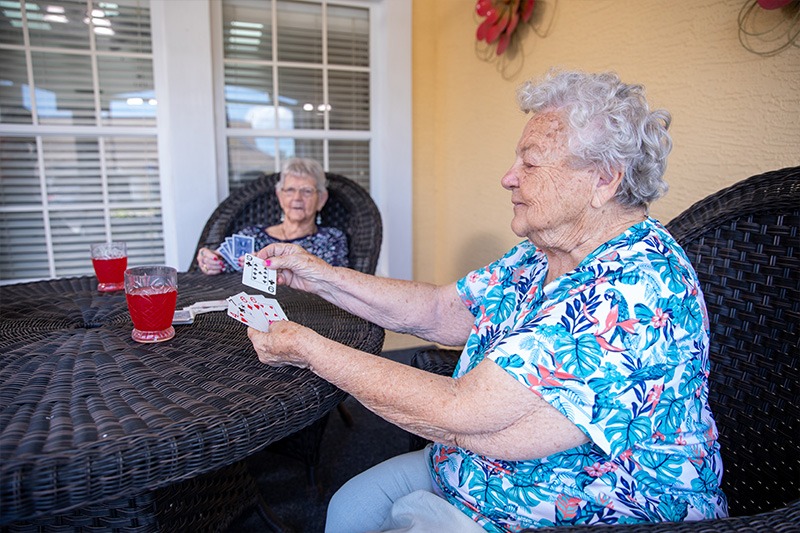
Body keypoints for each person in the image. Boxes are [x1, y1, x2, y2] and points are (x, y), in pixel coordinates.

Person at [247, 69, 728, 531]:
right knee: (351, 506)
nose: (508, 177)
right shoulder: (543, 252)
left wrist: (306, 349)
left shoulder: (632, 287)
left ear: (603, 179)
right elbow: (439, 310)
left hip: (573, 509)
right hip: (473, 472)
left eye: (531, 162)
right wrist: (321, 277)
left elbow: (462, 411)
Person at [196, 157, 349, 274]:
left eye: (306, 191)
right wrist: (211, 261)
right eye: (290, 190)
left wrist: (275, 267)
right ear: (280, 196)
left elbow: (334, 282)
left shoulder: (332, 239)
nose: (297, 198)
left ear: (321, 199)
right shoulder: (253, 236)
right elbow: (225, 265)